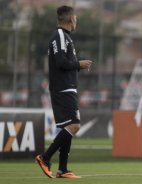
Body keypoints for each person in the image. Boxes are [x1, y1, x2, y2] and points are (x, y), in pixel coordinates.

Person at [35, 5, 93, 179]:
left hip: (66, 87)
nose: (76, 21)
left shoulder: (65, 37)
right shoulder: (60, 35)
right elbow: (61, 62)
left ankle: (63, 169)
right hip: (63, 88)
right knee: (74, 125)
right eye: (75, 18)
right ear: (70, 19)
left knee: (68, 127)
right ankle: (45, 157)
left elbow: (63, 63)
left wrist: (77, 67)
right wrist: (79, 64)